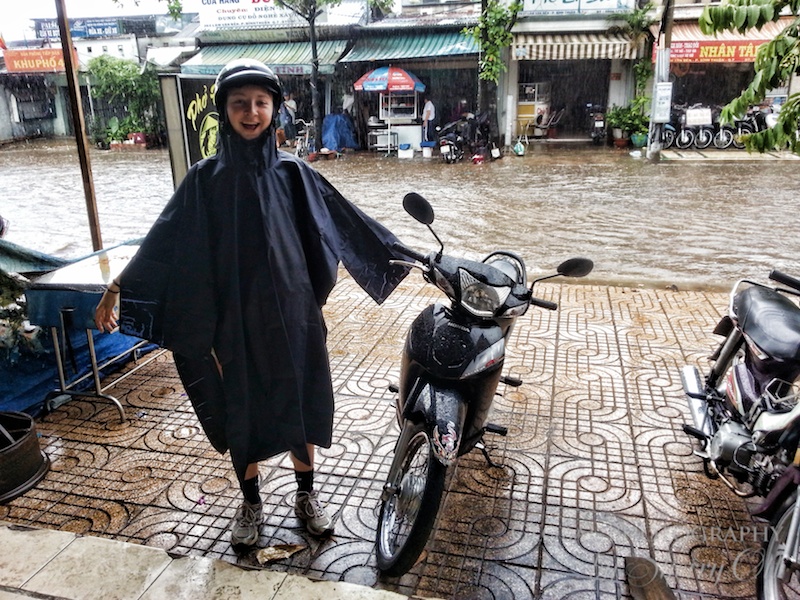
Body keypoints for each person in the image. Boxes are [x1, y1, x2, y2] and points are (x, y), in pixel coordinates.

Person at [94, 59, 408, 547]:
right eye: (240, 103)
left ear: (274, 110)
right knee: (241, 411)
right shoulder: (204, 180)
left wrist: (400, 255)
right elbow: (163, 242)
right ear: (224, 111)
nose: (251, 112)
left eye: (261, 102)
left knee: (300, 404)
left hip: (295, 317)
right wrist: (117, 287)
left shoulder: (295, 173)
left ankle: (307, 495)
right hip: (232, 322)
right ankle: (251, 502)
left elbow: (344, 221)